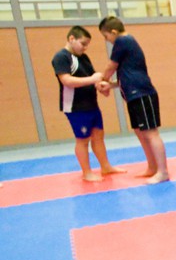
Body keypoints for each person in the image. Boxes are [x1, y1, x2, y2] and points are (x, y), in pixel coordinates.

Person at [98, 16, 169, 184]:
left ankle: (163, 171)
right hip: (133, 95)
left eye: (106, 36)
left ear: (113, 32)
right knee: (140, 132)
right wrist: (110, 85)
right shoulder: (126, 47)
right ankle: (152, 167)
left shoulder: (122, 41)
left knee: (150, 133)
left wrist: (102, 80)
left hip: (142, 94)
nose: (106, 40)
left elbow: (110, 66)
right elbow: (126, 76)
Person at [51, 26, 126, 182]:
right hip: (76, 106)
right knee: (83, 139)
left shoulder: (83, 57)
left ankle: (106, 167)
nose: (85, 48)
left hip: (91, 103)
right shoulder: (61, 57)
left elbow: (93, 77)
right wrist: (92, 79)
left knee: (98, 136)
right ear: (71, 39)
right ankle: (87, 172)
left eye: (87, 45)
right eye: (83, 44)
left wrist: (101, 86)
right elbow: (66, 80)